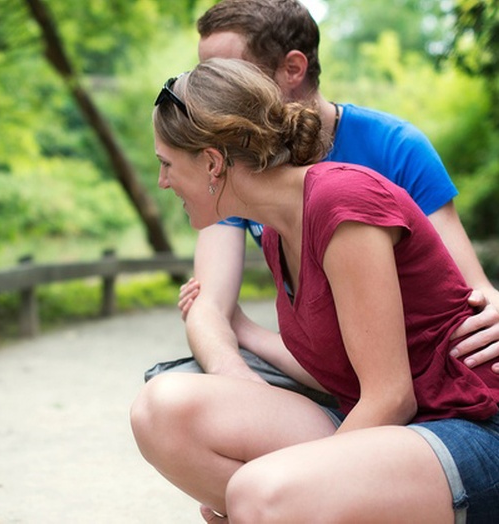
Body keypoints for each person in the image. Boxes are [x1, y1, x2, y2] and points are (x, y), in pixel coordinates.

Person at [132, 57, 499, 522]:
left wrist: (297, 483)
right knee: (161, 408)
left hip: (469, 427)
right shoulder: (277, 231)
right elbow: (338, 371)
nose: (163, 181)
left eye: (166, 164)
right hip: (388, 430)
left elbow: (390, 396)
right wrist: (240, 327)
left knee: (260, 493)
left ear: (212, 162)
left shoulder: (341, 202)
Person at [146, 0, 499, 398]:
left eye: (228, 71)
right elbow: (209, 305)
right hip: (321, 364)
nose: (207, 88)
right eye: (203, 72)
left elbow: (473, 294)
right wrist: (242, 384)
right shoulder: (233, 175)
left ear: (293, 68)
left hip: (405, 373)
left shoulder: (394, 147)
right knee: (180, 392)